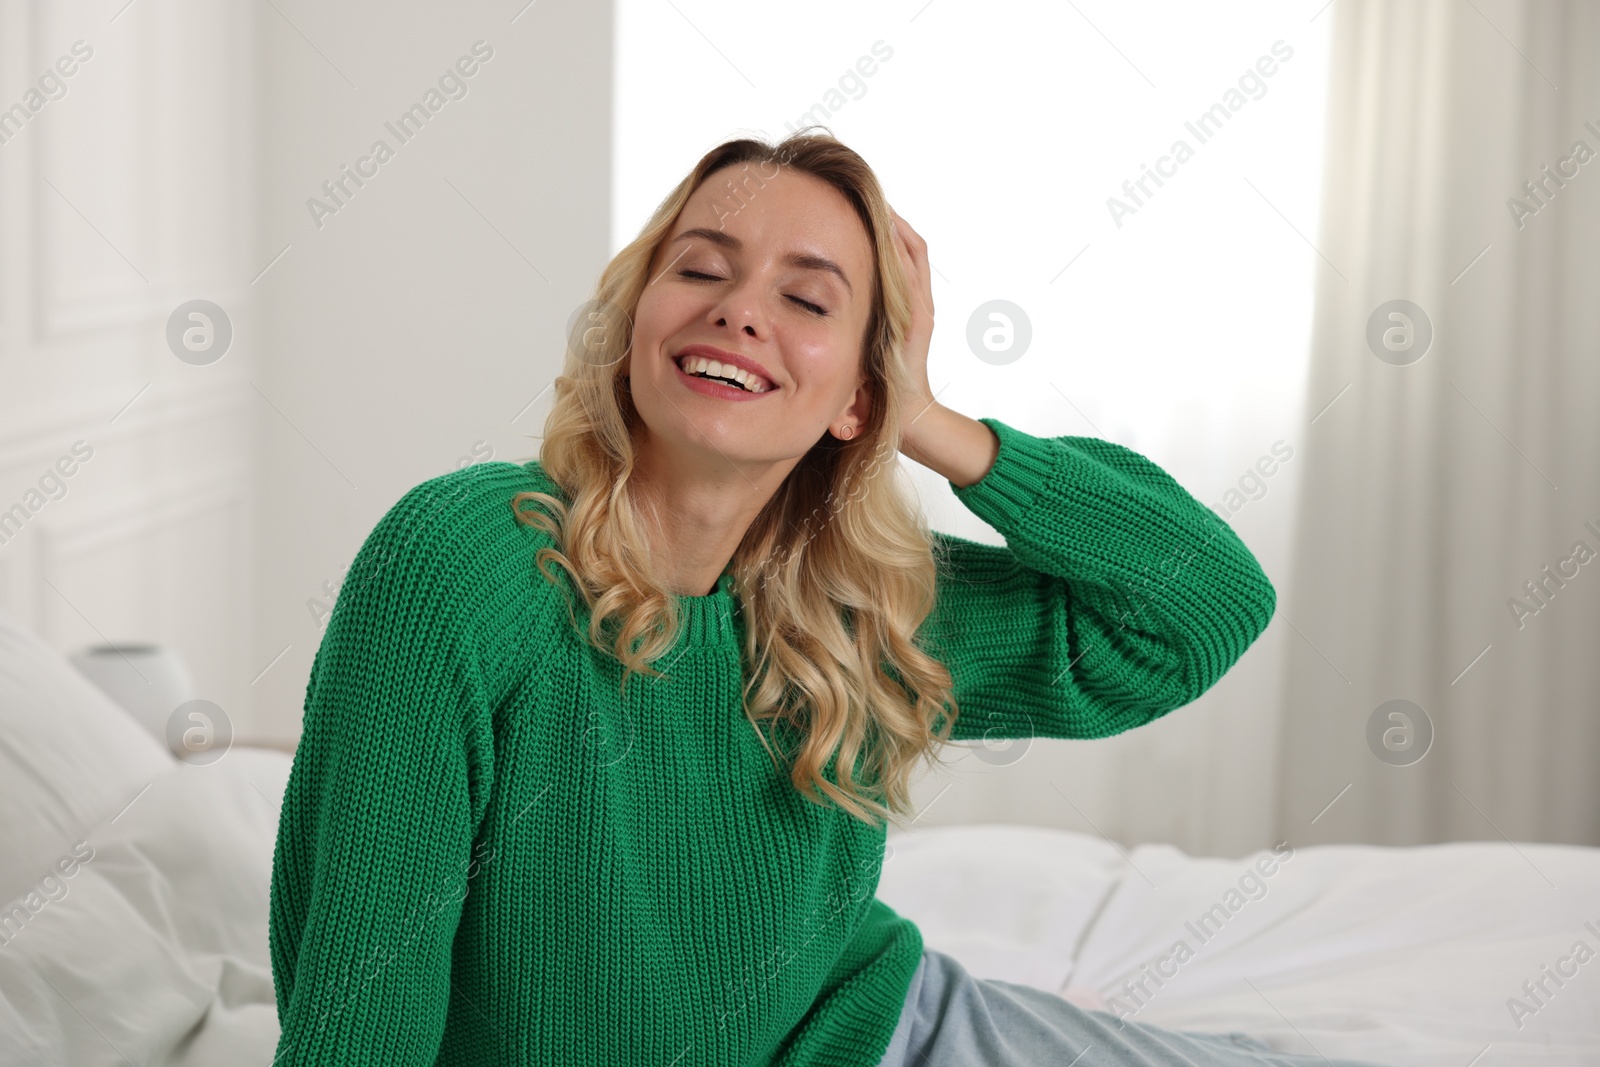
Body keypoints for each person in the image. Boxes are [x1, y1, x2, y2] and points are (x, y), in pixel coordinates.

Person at [268, 128, 1381, 1066]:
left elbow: (1203, 603)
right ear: (632, 327)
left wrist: (934, 420)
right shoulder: (465, 562)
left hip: (886, 1034)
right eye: (700, 269)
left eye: (805, 297)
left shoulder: (855, 608)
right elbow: (363, 1000)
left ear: (858, 393)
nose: (741, 310)